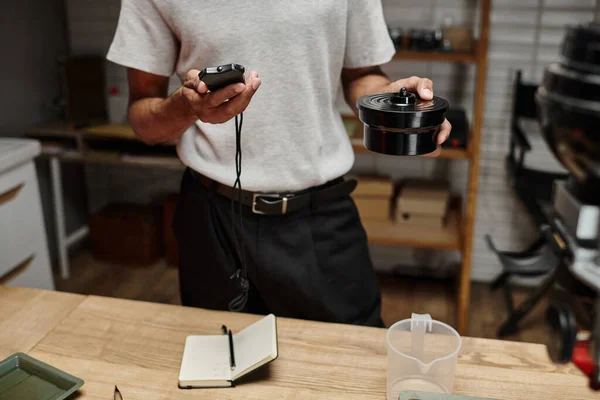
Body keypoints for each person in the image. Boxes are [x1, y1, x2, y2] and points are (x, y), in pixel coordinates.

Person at [107, 0, 451, 327]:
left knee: (354, 359)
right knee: (218, 364)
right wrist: (185, 107)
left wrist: (396, 103)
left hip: (320, 216)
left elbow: (363, 75)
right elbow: (142, 115)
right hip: (212, 220)